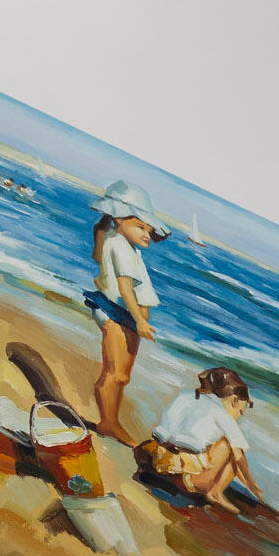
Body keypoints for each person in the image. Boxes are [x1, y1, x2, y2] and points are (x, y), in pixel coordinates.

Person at [83, 179, 167, 444]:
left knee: (122, 375)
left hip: (125, 317)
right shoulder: (119, 244)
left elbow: (103, 266)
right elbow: (125, 287)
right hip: (119, 315)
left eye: (149, 228)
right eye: (140, 226)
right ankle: (108, 422)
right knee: (114, 373)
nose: (147, 234)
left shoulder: (119, 243)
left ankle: (112, 420)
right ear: (119, 220)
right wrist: (141, 320)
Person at [145, 367, 269, 509]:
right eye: (240, 412)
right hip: (188, 480)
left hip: (158, 462)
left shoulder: (185, 396)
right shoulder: (223, 416)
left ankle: (215, 487)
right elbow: (239, 458)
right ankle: (215, 492)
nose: (238, 417)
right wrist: (252, 485)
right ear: (234, 400)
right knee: (229, 446)